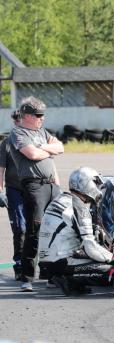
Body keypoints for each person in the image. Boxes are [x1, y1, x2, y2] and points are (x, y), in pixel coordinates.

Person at [38, 167, 114, 296]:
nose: (98, 187)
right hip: (61, 263)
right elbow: (90, 247)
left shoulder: (61, 199)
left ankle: (69, 282)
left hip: (48, 263)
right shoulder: (79, 207)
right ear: (86, 183)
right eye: (96, 183)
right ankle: (68, 280)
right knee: (112, 272)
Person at [8, 97, 64, 292]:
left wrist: (44, 148)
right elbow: (32, 154)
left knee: (58, 230)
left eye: (43, 115)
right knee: (34, 231)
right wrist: (48, 150)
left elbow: (61, 147)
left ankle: (52, 274)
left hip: (51, 186)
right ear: (28, 116)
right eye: (39, 115)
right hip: (33, 186)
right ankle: (27, 278)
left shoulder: (42, 132)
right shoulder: (18, 133)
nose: (42, 118)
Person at [0, 110, 26, 280]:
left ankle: (42, 265)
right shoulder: (6, 143)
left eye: (20, 119)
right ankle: (19, 264)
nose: (18, 122)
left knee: (37, 229)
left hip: (35, 190)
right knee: (20, 229)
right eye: (15, 120)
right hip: (14, 190)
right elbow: (0, 169)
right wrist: (0, 191)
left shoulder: (37, 140)